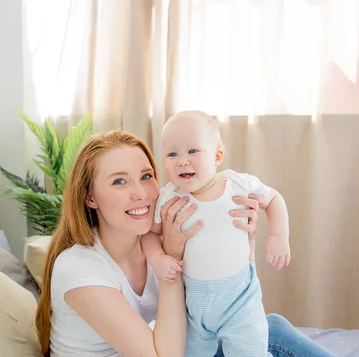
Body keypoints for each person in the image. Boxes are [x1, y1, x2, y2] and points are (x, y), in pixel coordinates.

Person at [35, 129, 334, 357]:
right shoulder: (79, 267)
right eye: (119, 181)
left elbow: (236, 299)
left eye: (146, 176)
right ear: (90, 197)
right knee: (275, 335)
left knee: (271, 328)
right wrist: (171, 261)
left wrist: (247, 238)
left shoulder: (155, 239)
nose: (140, 193)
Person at [141, 110, 290, 356]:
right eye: (172, 154)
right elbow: (148, 233)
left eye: (192, 151)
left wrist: (278, 236)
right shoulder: (169, 198)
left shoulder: (238, 185)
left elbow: (274, 199)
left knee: (250, 349)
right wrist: (157, 258)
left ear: (217, 156)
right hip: (193, 304)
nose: (182, 160)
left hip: (240, 299)